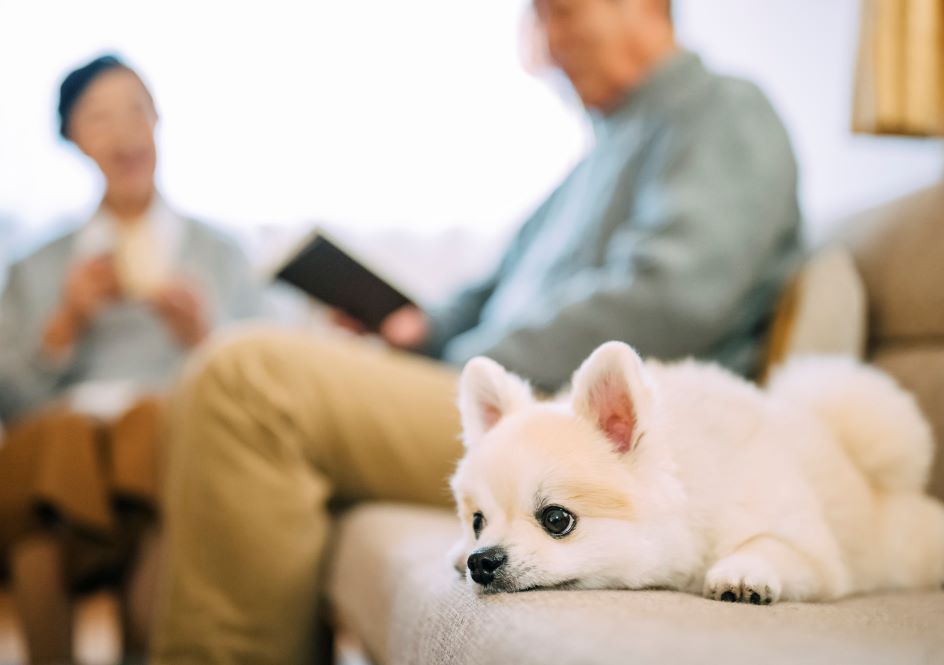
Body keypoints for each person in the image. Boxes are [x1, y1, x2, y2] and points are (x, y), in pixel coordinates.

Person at [152, 1, 801, 662]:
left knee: (246, 378)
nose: (544, 50)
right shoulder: (597, 159)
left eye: (562, 15)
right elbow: (492, 288)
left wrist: (462, 357)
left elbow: (669, 298)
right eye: (538, 23)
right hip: (512, 404)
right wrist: (420, 332)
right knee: (246, 367)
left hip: (569, 438)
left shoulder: (723, 112)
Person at [0, 54, 258, 664]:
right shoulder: (37, 267)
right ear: (72, 139)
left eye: (137, 109)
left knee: (153, 424)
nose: (124, 131)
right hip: (66, 458)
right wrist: (63, 325)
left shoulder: (218, 255)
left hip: (164, 450)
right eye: (99, 116)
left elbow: (266, 382)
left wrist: (204, 335)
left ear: (159, 120)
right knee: (58, 445)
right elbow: (10, 402)